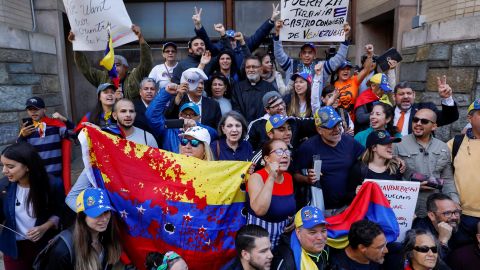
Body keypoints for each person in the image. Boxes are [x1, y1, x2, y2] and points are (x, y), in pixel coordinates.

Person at [65, 126, 214, 211]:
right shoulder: (95, 166)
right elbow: (72, 197)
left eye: (194, 143)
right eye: (183, 141)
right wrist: (91, 215)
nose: (187, 146)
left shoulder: (213, 172)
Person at [0, 142, 64, 270]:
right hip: (14, 248)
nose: (4, 171)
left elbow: (62, 212)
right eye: (3, 165)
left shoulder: (52, 184)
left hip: (45, 246)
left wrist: (45, 226)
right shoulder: (3, 186)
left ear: (28, 166)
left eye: (10, 166)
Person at [294, 106, 364, 214]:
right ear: (319, 129)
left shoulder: (349, 141)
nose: (337, 129)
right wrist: (307, 179)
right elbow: (294, 174)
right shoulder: (308, 147)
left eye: (338, 124)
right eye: (331, 126)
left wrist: (393, 159)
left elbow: (368, 158)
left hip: (348, 207)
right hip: (321, 209)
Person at [394, 108, 459, 218]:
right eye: (415, 120)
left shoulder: (443, 147)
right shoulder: (398, 144)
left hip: (435, 210)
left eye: (424, 121)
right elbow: (391, 179)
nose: (418, 124)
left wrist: (454, 202)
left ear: (434, 126)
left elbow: (447, 180)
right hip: (408, 207)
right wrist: (413, 187)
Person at [43, 188, 122, 269]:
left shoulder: (106, 237)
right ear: (82, 216)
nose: (105, 219)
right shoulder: (63, 249)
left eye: (106, 212)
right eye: (97, 213)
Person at [67, 25, 153, 100]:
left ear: (126, 68)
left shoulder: (134, 77)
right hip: (108, 117)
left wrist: (140, 38)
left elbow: (146, 63)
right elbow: (84, 68)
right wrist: (76, 44)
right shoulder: (102, 77)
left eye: (117, 65)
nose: (113, 68)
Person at [192, 4, 278, 68]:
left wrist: (271, 20)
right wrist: (198, 26)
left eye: (233, 39)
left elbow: (259, 34)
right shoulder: (219, 48)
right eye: (229, 39)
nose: (231, 41)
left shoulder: (245, 45)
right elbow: (206, 42)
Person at [246, 139, 296, 247]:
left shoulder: (288, 177)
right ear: (267, 159)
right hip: (259, 243)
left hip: (283, 242)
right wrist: (272, 176)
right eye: (279, 152)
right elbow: (260, 210)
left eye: (287, 152)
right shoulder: (256, 177)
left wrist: (294, 220)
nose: (285, 155)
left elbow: (289, 207)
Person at [273, 21, 350, 86]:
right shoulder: (291, 65)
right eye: (304, 52)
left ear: (315, 55)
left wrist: (345, 38)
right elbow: (279, 55)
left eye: (310, 53)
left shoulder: (322, 67)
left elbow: (338, 59)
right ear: (300, 55)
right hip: (294, 103)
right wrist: (277, 34)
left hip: (314, 103)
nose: (307, 55)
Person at [447, 98, 480, 247]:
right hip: (461, 216)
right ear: (469, 118)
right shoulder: (455, 143)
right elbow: (435, 166)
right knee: (459, 258)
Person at [145, 86, 217, 154]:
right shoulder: (169, 129)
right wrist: (166, 92)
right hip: (173, 165)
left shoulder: (203, 131)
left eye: (192, 115)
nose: (188, 117)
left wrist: (196, 126)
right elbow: (151, 116)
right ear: (179, 115)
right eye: (185, 114)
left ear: (198, 118)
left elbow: (215, 134)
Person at [17, 96, 74, 178]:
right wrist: (22, 136)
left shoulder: (56, 126)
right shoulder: (27, 129)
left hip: (56, 175)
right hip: (36, 175)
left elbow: (75, 133)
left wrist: (64, 120)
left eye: (36, 109)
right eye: (30, 109)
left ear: (44, 109)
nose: (33, 112)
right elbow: (18, 151)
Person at [347, 130, 402, 204]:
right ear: (373, 148)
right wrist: (356, 193)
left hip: (387, 214)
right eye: (385, 143)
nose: (390, 146)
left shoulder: (395, 168)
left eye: (390, 143)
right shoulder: (359, 169)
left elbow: (399, 197)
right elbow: (348, 198)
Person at [393, 77, 458, 136]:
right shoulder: (387, 112)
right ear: (394, 97)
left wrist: (447, 98)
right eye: (401, 94)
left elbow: (449, 117)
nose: (406, 96)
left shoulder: (426, 109)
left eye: (409, 93)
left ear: (414, 95)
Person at [412, 193, 462, 261]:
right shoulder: (420, 233)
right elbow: (430, 263)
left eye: (456, 212)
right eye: (447, 213)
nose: (454, 217)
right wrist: (443, 241)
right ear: (432, 215)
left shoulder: (456, 226)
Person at [231, 56, 277, 123]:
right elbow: (236, 110)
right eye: (248, 67)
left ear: (261, 69)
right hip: (243, 128)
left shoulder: (269, 88)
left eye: (254, 67)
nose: (251, 70)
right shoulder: (237, 88)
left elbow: (273, 109)